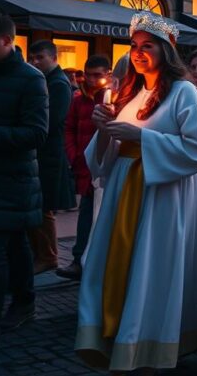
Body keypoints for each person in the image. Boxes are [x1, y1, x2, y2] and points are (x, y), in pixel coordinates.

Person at [76, 12, 197, 371]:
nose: (138, 53)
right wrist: (105, 128)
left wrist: (144, 139)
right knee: (109, 263)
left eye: (147, 46)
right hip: (123, 195)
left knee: (152, 268)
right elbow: (101, 162)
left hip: (161, 198)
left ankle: (151, 343)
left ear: (166, 51)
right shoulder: (130, 93)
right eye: (134, 46)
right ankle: (115, 333)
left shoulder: (185, 93)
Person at [0, 13, 46, 342]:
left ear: (5, 41)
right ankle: (25, 302)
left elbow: (36, 133)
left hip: (12, 178)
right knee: (15, 244)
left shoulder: (31, 78)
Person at [58, 55, 112, 281]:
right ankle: (79, 259)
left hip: (103, 165)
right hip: (84, 165)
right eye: (88, 74)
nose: (91, 80)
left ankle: (92, 259)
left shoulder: (111, 99)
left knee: (98, 213)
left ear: (107, 74)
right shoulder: (78, 99)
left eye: (97, 75)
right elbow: (68, 128)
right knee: (86, 212)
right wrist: (73, 155)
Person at [27, 40, 76, 275]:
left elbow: (51, 120)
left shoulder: (58, 84)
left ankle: (48, 255)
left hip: (50, 154)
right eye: (32, 58)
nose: (35, 62)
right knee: (39, 205)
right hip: (45, 153)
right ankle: (44, 254)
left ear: (53, 58)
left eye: (40, 58)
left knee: (44, 206)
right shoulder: (48, 80)